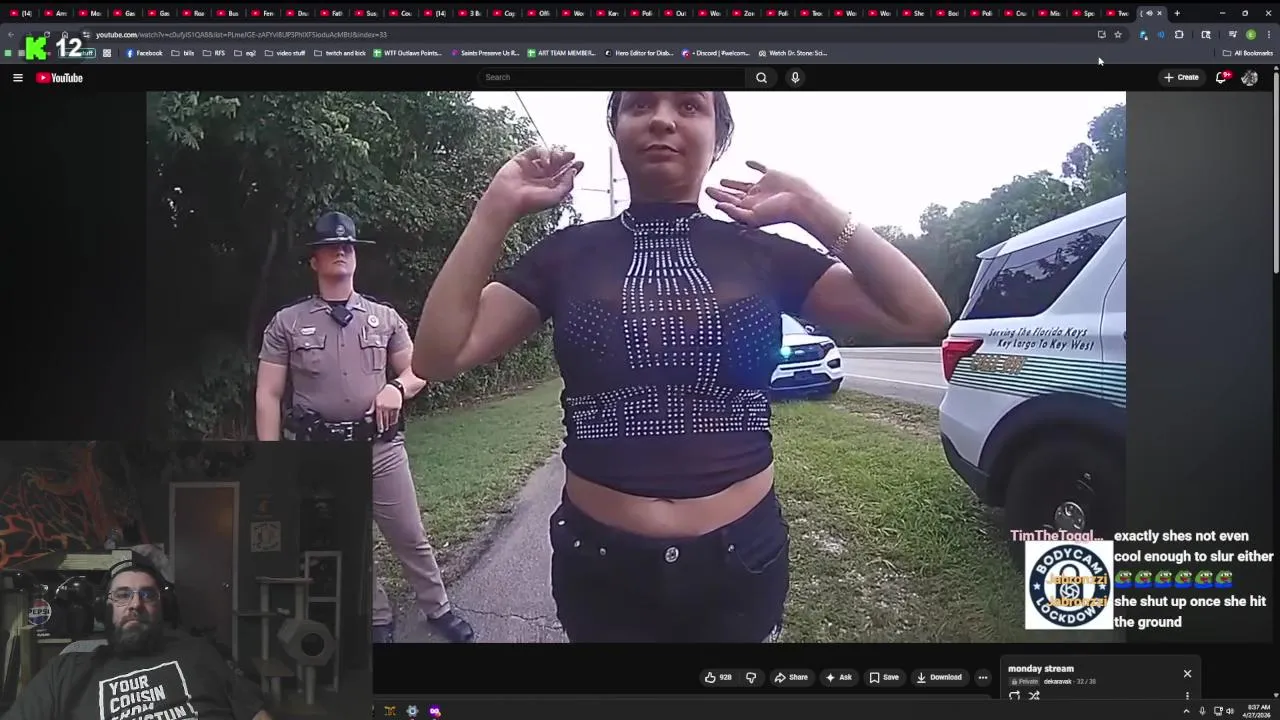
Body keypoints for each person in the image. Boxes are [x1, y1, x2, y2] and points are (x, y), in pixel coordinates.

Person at [412, 91, 952, 642]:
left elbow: (921, 315)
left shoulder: (762, 253)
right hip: (600, 565)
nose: (663, 120)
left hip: (741, 563)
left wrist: (811, 207)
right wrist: (495, 209)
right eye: (640, 105)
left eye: (690, 106)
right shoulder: (567, 255)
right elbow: (437, 355)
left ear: (718, 138)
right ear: (616, 129)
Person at [255, 211, 474, 644]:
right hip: (319, 454)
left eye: (347, 246)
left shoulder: (384, 317)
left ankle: (439, 609)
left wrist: (397, 387)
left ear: (355, 257)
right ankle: (377, 618)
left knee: (410, 536)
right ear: (314, 261)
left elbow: (419, 370)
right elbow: (268, 394)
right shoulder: (288, 323)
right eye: (330, 246)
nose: (340, 251)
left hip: (380, 449)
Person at [7, 561, 270, 719]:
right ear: (103, 608)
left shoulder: (199, 651)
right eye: (122, 595)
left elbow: (256, 713)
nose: (135, 604)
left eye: (147, 595)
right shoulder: (65, 672)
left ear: (162, 607)